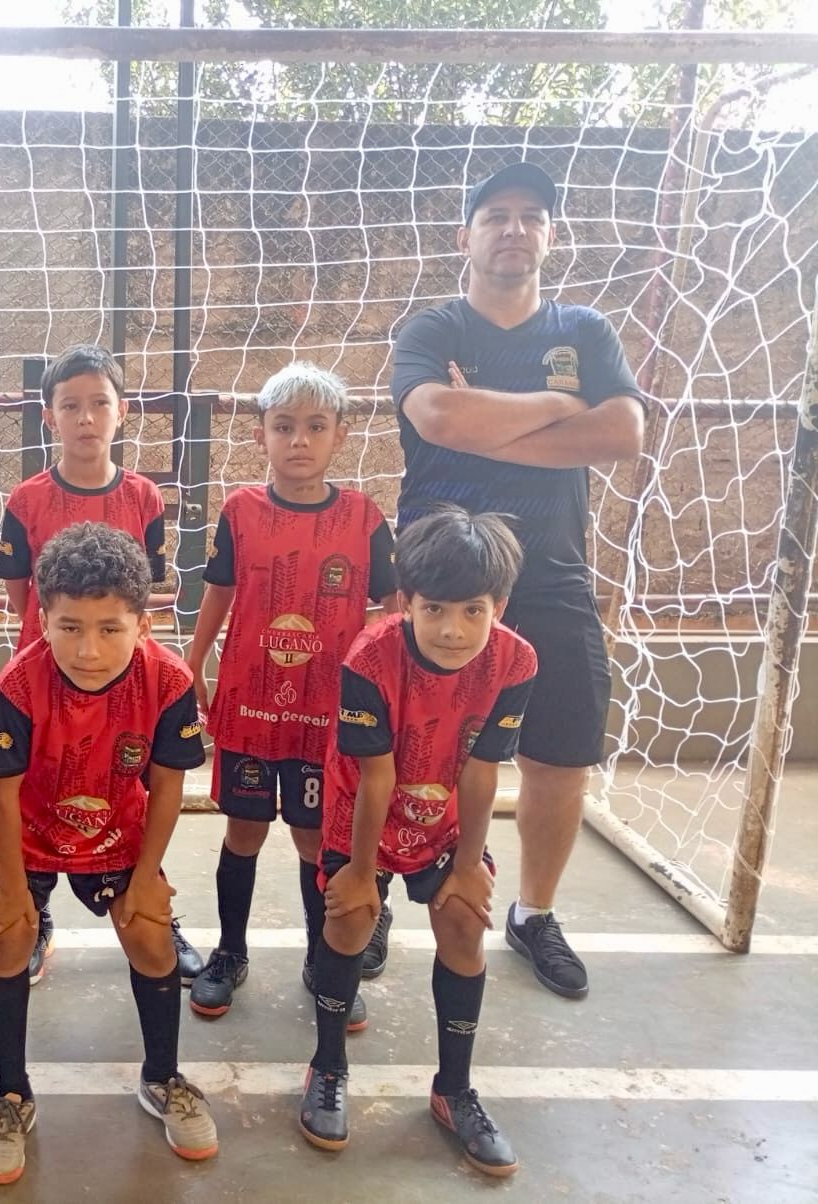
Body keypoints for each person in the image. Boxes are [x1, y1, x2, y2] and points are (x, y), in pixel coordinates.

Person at [390, 161, 645, 999]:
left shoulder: (586, 330)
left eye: (531, 215)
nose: (514, 228)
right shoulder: (433, 327)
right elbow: (439, 416)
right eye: (496, 214)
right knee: (400, 747)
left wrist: (490, 422)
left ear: (551, 234)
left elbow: (622, 434)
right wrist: (559, 405)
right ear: (464, 235)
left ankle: (533, 913)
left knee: (560, 755)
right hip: (440, 578)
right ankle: (378, 893)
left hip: (552, 574)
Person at [0, 522, 217, 1185]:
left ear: (142, 623)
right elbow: (1, 795)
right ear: (42, 620)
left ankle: (162, 1078)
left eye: (110, 628)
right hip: (26, 833)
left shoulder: (168, 680)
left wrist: (147, 877)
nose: (88, 649)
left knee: (152, 939)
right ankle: (11, 1094)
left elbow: (168, 785)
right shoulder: (19, 683)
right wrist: (13, 889)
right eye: (70, 627)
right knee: (9, 939)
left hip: (115, 829)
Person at [298, 506, 535, 1177]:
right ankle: (327, 1067)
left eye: (472, 611)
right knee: (349, 919)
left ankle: (454, 1089)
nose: (452, 629)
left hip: (444, 817)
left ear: (499, 608)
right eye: (434, 609)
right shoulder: (370, 656)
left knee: (463, 921)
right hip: (363, 812)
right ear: (406, 602)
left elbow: (482, 770)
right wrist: (360, 873)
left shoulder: (516, 661)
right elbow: (376, 775)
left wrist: (468, 866)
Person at [184, 362, 399, 1023]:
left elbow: (390, 608)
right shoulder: (240, 511)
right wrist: (193, 660)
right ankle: (230, 953)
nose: (299, 440)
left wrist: (387, 686)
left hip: (328, 713)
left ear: (340, 434)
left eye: (315, 426)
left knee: (315, 838)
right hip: (249, 702)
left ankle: (322, 957)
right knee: (244, 829)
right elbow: (219, 591)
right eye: (284, 427)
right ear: (260, 435)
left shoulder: (364, 518)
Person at [0, 343, 201, 986]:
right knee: (37, 789)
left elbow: (144, 591)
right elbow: (21, 594)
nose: (86, 418)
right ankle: (35, 912)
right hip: (49, 676)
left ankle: (149, 898)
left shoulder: (144, 496)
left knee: (126, 790)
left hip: (122, 678)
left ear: (122, 410)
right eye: (70, 406)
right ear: (49, 416)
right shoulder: (26, 499)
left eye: (99, 404)